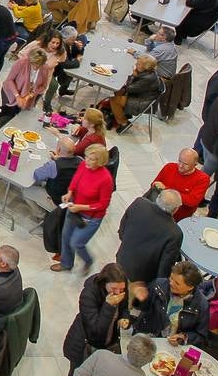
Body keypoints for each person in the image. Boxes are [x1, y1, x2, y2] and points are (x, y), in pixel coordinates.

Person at [56, 262, 131, 376]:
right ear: (104, 283)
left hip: (108, 342)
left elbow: (125, 308)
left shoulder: (120, 290)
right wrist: (109, 306)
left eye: (121, 289)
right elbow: (96, 330)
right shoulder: (88, 294)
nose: (118, 293)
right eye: (114, 289)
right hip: (84, 343)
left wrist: (124, 318)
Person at [55, 144, 114, 273]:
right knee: (66, 236)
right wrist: (70, 192)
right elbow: (76, 179)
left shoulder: (106, 180)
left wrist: (81, 207)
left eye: (91, 159)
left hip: (91, 217)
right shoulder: (84, 165)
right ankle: (66, 263)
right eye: (86, 157)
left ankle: (88, 260)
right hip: (74, 206)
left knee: (76, 243)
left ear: (100, 161)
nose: (86, 161)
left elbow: (103, 204)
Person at [132, 260, 210, 347]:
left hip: (172, 347)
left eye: (177, 283)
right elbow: (143, 309)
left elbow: (201, 336)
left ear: (190, 287)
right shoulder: (159, 285)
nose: (171, 283)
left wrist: (184, 337)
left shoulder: (201, 305)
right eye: (171, 278)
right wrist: (141, 299)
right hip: (147, 337)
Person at [115, 190, 183, 283]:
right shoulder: (175, 233)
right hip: (141, 279)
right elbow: (165, 266)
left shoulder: (139, 203)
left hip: (122, 260)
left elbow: (122, 228)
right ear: (176, 209)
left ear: (157, 198)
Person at [105, 54, 163, 131]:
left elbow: (129, 88)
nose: (135, 64)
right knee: (117, 92)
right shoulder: (149, 72)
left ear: (145, 67)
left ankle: (123, 123)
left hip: (142, 102)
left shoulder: (148, 78)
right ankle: (117, 113)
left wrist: (132, 76)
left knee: (114, 99)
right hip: (140, 95)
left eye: (138, 64)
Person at [150, 149, 209, 219]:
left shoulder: (202, 179)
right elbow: (154, 185)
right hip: (158, 210)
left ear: (195, 164)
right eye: (179, 161)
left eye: (185, 164)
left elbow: (192, 201)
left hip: (180, 217)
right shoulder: (169, 167)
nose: (180, 166)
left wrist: (165, 189)